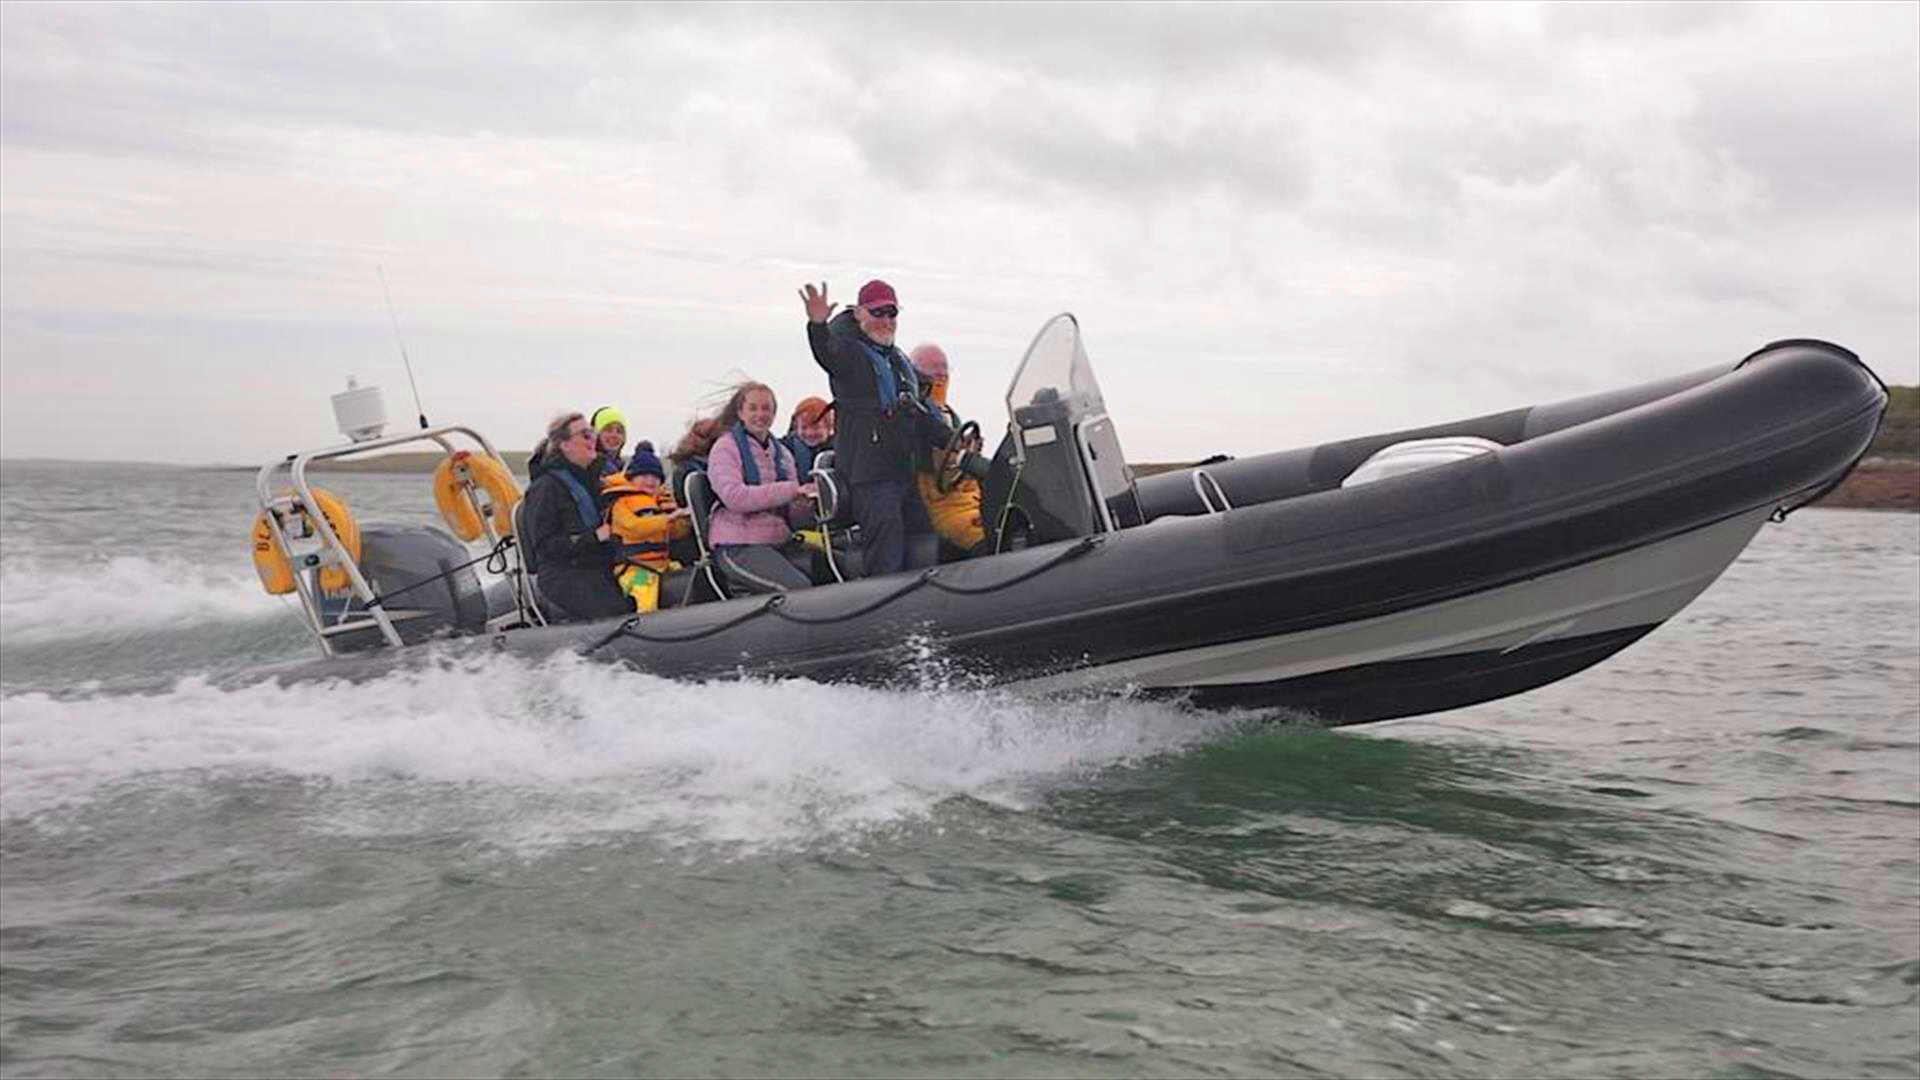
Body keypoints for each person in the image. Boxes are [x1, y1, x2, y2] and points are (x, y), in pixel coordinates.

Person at [799, 279, 952, 577]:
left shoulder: (897, 362)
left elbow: (919, 413)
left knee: (926, 535)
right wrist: (817, 325)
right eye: (877, 312)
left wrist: (952, 440)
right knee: (887, 550)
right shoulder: (849, 355)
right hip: (869, 476)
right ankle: (883, 616)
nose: (886, 320)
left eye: (892, 313)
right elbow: (827, 353)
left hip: (901, 470)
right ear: (859, 314)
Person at [701, 381, 819, 593]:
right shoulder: (725, 448)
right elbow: (734, 497)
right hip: (738, 544)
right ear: (740, 412)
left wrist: (805, 503)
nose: (760, 414)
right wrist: (791, 490)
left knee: (829, 567)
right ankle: (740, 588)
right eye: (753, 408)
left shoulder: (783, 454)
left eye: (766, 409)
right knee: (798, 589)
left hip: (777, 539)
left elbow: (793, 515)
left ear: (774, 414)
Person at [520, 411, 630, 621]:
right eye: (586, 435)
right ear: (565, 444)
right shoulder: (545, 488)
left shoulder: (597, 481)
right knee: (619, 611)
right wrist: (595, 537)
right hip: (565, 574)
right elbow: (545, 546)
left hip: (599, 565)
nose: (593, 440)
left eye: (592, 434)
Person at [909, 343, 992, 559]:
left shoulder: (951, 417)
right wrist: (960, 456)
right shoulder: (913, 418)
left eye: (944, 369)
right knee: (982, 541)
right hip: (942, 505)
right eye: (933, 370)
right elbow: (929, 468)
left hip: (970, 498)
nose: (941, 375)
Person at [599, 441, 691, 613]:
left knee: (688, 575)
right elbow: (634, 527)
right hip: (636, 568)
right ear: (631, 478)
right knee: (645, 601)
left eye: (656, 477)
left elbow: (675, 533)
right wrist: (667, 519)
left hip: (661, 565)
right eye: (644, 476)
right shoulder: (621, 502)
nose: (651, 481)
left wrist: (684, 520)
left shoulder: (659, 502)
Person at [782, 395, 835, 477]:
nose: (810, 433)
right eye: (804, 427)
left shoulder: (838, 449)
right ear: (796, 428)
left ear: (828, 428)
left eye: (816, 427)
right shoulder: (784, 449)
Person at [589, 406, 628, 476]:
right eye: (608, 430)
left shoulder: (628, 469)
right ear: (596, 434)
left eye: (619, 431)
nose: (614, 435)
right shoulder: (586, 465)